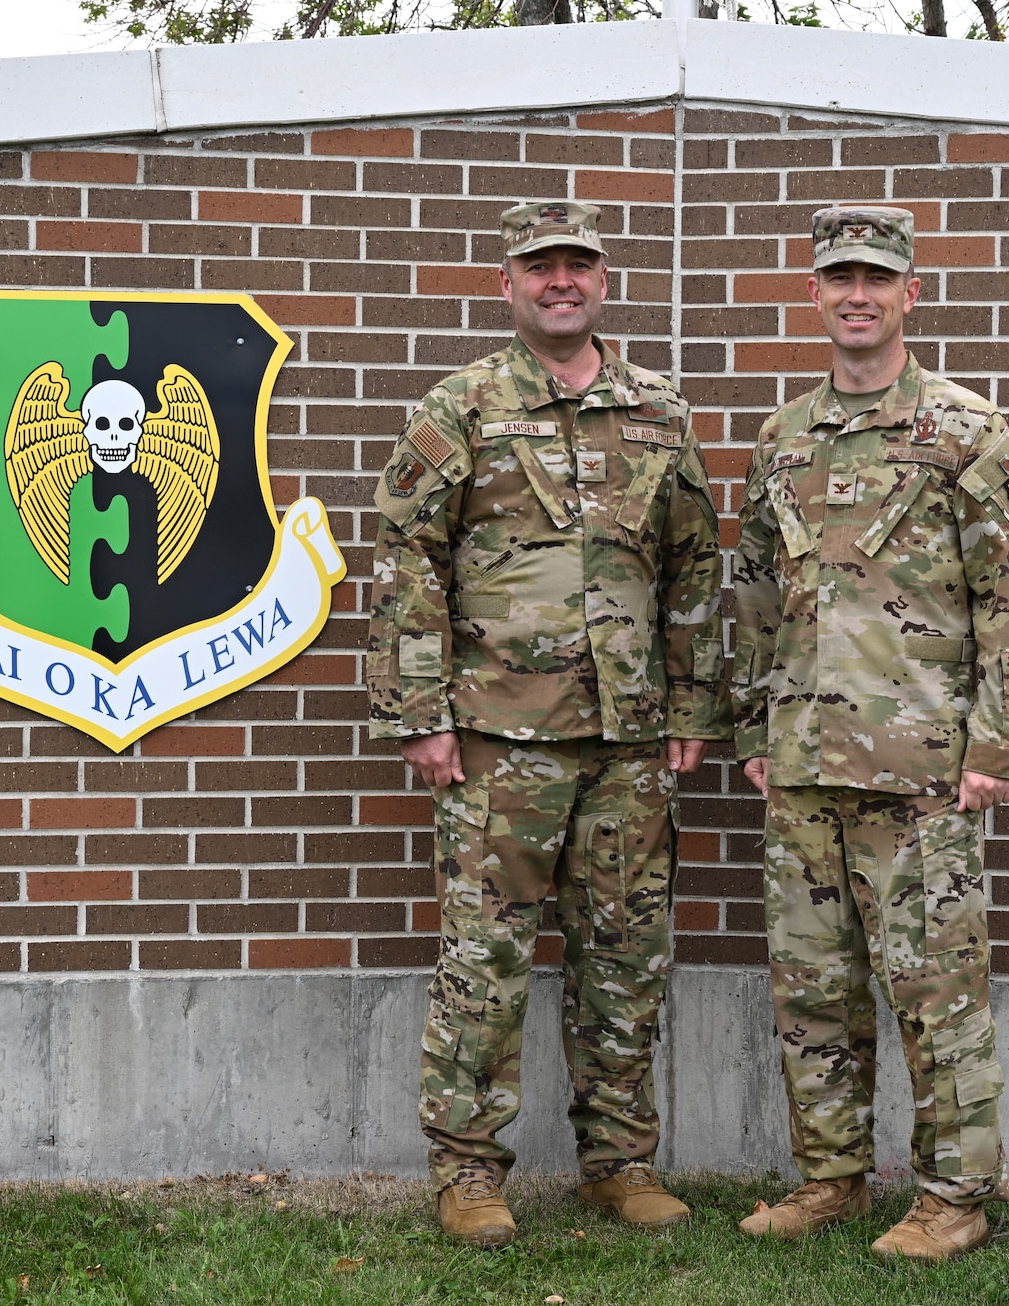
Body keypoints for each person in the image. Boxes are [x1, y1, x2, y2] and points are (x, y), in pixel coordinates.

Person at [365, 200, 727, 1248]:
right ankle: (468, 1171)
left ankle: (619, 1163)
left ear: (603, 280)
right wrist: (418, 714)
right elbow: (405, 563)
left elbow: (694, 568)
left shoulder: (659, 410)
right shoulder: (461, 406)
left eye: (577, 264)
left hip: (629, 741)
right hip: (494, 738)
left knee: (624, 955)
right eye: (539, 266)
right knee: (485, 960)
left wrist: (694, 705)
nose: (559, 280)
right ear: (507, 283)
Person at [731, 205, 1009, 1261]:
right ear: (812, 294)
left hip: (921, 769)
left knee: (932, 985)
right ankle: (829, 1176)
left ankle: (954, 1195)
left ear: (910, 293)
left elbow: (1008, 598)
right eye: (835, 277)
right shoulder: (780, 439)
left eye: (874, 276)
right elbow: (754, 596)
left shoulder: (963, 431)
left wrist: (995, 749)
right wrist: (749, 729)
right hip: (803, 760)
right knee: (811, 985)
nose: (853, 293)